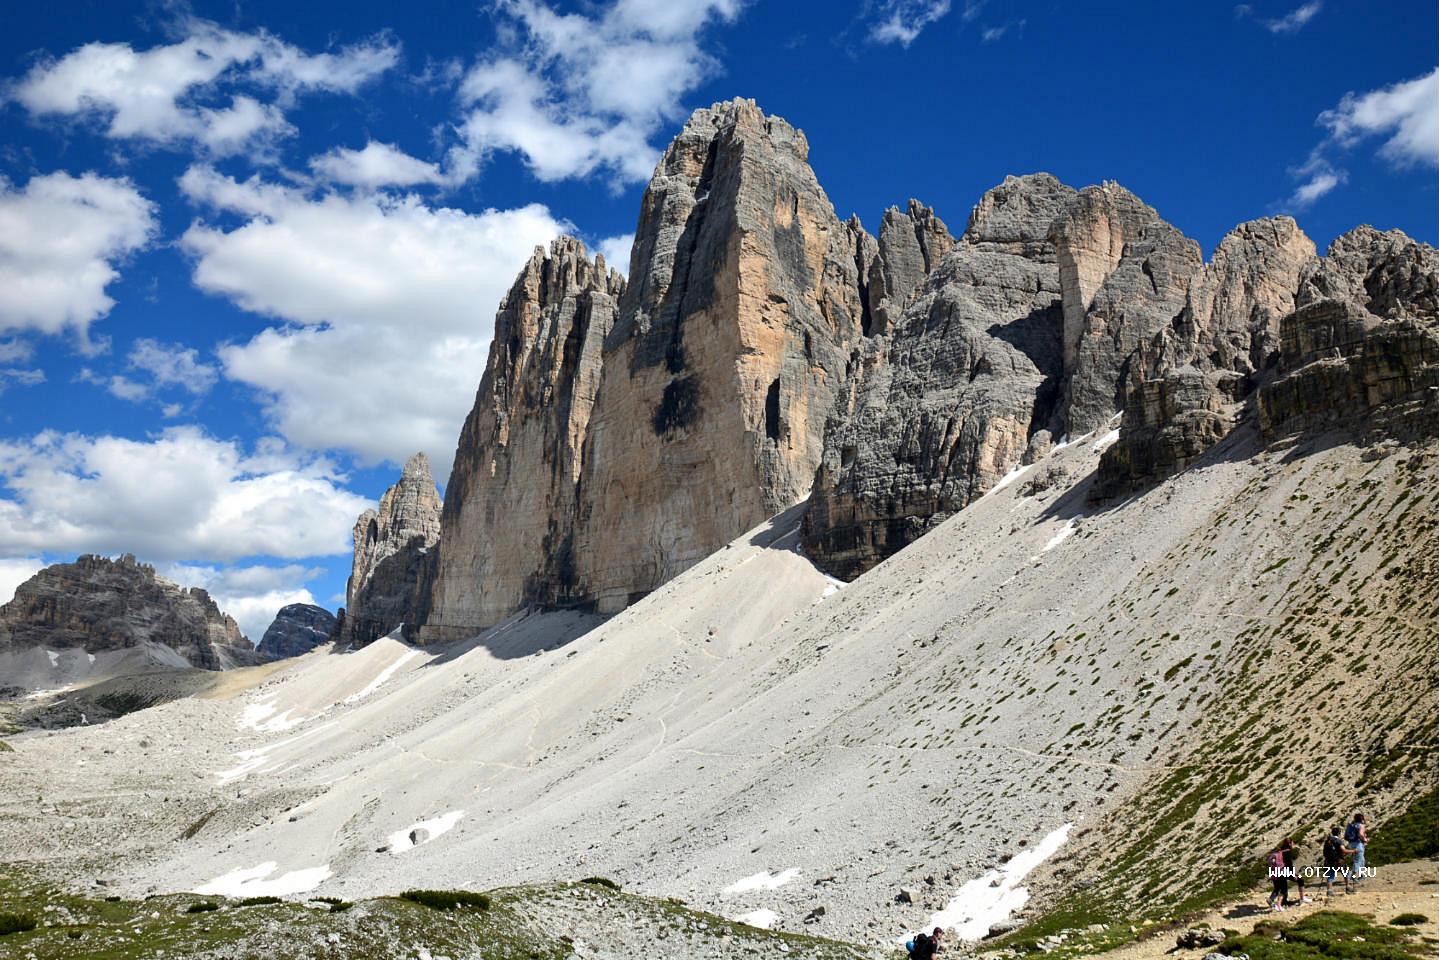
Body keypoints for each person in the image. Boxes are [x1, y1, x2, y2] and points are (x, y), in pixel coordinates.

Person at [1322, 826, 1355, 900]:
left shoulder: (1328, 840)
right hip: (1338, 860)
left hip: (1329, 860)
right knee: (1346, 872)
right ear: (1339, 833)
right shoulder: (1339, 841)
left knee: (1330, 875)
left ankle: (1329, 891)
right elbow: (1343, 850)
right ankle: (1348, 887)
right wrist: (1353, 851)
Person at [1281, 837, 1310, 905]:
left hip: (1279, 871)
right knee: (1300, 880)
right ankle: (1302, 898)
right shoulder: (1288, 851)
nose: (1293, 844)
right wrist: (1293, 874)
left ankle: (1284, 901)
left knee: (1283, 885)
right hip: (1286, 871)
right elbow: (1289, 864)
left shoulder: (1281, 850)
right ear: (1290, 843)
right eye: (1292, 843)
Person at [1345, 814, 1369, 884]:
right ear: (1362, 819)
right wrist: (1365, 840)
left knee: (1362, 860)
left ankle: (1362, 875)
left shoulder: (1352, 825)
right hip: (1358, 844)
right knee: (1358, 860)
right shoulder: (1361, 826)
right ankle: (1353, 876)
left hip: (1351, 844)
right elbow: (1361, 834)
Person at [1266, 844, 1289, 911]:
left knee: (1277, 888)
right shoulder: (1280, 855)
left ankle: (1271, 899)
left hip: (1273, 874)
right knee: (1284, 889)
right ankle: (1279, 904)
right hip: (1280, 873)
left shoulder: (1272, 855)